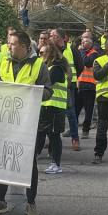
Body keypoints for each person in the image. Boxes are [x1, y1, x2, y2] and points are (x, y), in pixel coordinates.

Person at [0, 30, 51, 215]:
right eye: (8, 43)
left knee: (29, 165)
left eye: (12, 44)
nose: (8, 46)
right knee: (3, 161)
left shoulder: (39, 66)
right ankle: (0, 201)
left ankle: (31, 203)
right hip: (4, 122)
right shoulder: (2, 63)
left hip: (27, 124)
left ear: (24, 46)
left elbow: (48, 92)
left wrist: (32, 92)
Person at [38, 42, 68, 174]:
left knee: (54, 136)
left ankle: (56, 164)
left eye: (42, 53)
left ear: (49, 54)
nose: (40, 55)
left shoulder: (56, 69)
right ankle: (33, 159)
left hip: (55, 107)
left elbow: (44, 83)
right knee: (40, 134)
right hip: (46, 106)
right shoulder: (49, 67)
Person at [50, 29, 83, 151]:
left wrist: (71, 79)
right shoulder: (50, 50)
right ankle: (53, 138)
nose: (52, 37)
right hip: (53, 85)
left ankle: (75, 139)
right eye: (51, 35)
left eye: (55, 36)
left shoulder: (72, 49)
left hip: (69, 85)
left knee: (70, 113)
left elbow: (80, 66)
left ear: (63, 38)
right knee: (53, 113)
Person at [75, 34, 99, 140]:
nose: (83, 43)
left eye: (85, 42)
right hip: (79, 85)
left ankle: (85, 130)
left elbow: (86, 63)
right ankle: (73, 129)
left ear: (90, 44)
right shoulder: (80, 52)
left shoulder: (94, 54)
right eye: (82, 42)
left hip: (89, 86)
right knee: (75, 110)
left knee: (89, 111)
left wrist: (82, 52)